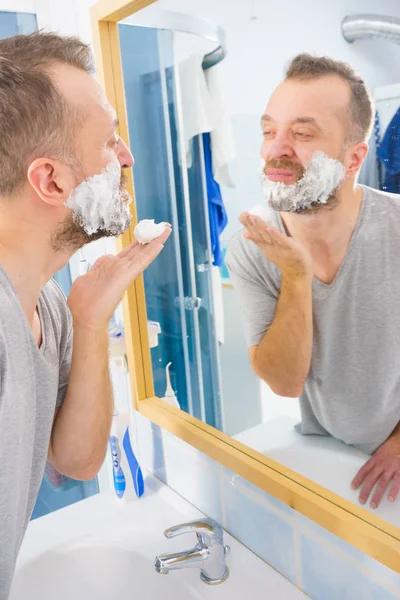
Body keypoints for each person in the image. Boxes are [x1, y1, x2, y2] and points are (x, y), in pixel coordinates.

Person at [0, 31, 171, 598]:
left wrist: (91, 322)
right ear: (51, 180)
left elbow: (78, 461)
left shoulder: (49, 300)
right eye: (111, 141)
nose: (128, 157)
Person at [226, 54, 400, 512]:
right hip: (322, 449)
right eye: (269, 131)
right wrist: (297, 277)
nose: (275, 150)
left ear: (353, 157)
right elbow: (283, 382)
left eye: (301, 134)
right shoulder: (251, 246)